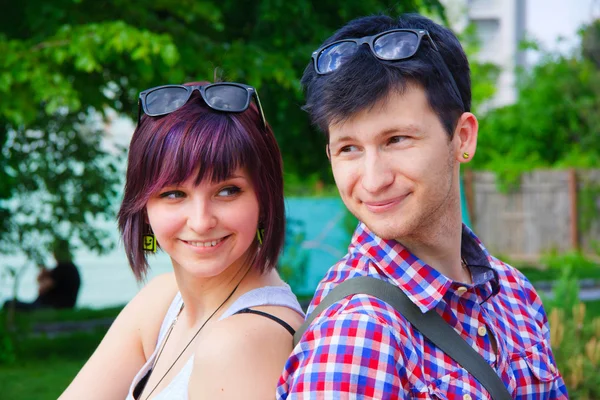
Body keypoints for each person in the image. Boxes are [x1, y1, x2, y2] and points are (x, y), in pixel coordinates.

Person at [278, 13, 568, 399]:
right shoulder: (358, 334)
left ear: (462, 137)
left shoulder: (513, 293)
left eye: (397, 139)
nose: (373, 179)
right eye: (349, 148)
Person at [60, 81, 305, 400]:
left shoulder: (241, 342)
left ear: (265, 197)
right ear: (143, 206)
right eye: (174, 194)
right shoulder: (163, 302)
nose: (201, 222)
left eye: (227, 191)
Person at [3, 238, 81, 311]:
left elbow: (42, 289)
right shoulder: (69, 268)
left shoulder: (63, 268)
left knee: (8, 304)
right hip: (56, 306)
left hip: (49, 307)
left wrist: (43, 279)